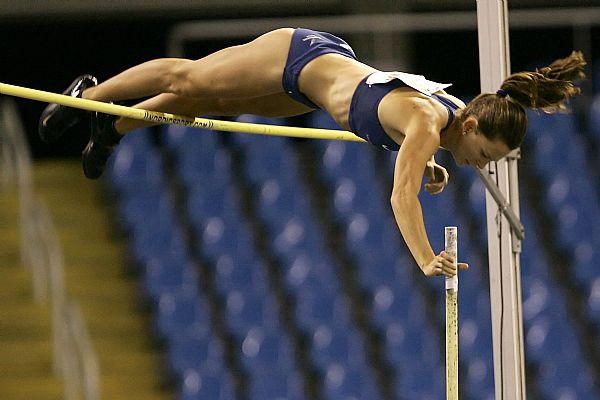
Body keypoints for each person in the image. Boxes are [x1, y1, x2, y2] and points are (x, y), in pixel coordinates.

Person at [38, 27, 586, 278]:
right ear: (470, 122)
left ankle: (114, 128)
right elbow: (401, 195)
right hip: (300, 56)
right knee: (190, 79)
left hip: (309, 93)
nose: (482, 165)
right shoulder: (428, 120)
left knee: (208, 104)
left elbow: (414, 140)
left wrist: (436, 163)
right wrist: (425, 258)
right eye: (484, 153)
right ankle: (89, 95)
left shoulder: (448, 122)